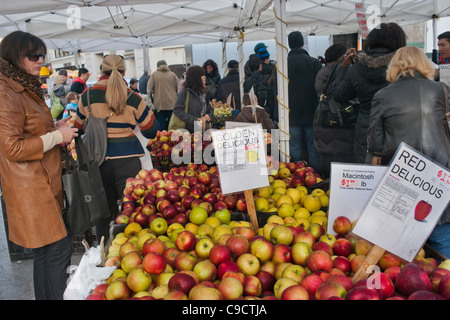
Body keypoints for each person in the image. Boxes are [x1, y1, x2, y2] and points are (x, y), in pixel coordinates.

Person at [0, 30, 78, 300]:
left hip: (40, 181)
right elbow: (11, 147)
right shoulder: (7, 91)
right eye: (33, 55)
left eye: (42, 55)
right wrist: (57, 136)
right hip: (30, 186)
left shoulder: (22, 85)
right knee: (57, 249)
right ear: (14, 56)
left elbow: (28, 130)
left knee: (47, 252)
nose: (40, 61)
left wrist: (53, 127)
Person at [367, 46, 450, 258]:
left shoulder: (383, 95)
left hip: (403, 172)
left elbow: (376, 143)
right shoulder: (441, 90)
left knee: (400, 243)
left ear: (394, 66)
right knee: (441, 235)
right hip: (440, 171)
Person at [74, 54, 158, 243]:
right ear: (124, 72)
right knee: (130, 210)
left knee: (103, 213)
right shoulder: (133, 98)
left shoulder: (87, 96)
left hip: (98, 162)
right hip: (128, 161)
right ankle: (130, 250)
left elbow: (77, 128)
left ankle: (105, 253)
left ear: (101, 71)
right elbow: (151, 131)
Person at [332, 22, 406, 164]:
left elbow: (339, 95)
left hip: (366, 129)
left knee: (367, 175)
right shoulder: (404, 68)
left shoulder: (356, 69)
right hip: (398, 128)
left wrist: (343, 68)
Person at [314, 43, 354, 178]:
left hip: (323, 117)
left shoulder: (322, 71)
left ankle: (326, 179)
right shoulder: (342, 71)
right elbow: (343, 93)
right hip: (339, 119)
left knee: (328, 157)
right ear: (340, 57)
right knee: (341, 162)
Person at [287, 30, 323, 173]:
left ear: (289, 45)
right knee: (313, 148)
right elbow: (321, 87)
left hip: (290, 113)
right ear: (302, 43)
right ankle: (316, 177)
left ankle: (296, 176)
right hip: (311, 112)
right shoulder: (313, 62)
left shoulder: (283, 64)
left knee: (294, 148)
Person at [172, 65, 214, 134]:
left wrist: (209, 115)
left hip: (204, 130)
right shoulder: (185, 93)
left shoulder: (204, 92)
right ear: (196, 78)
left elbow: (210, 109)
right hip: (189, 132)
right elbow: (177, 110)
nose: (205, 77)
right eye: (202, 75)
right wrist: (195, 120)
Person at [147, 60, 179, 131]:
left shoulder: (154, 75)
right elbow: (179, 89)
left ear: (157, 66)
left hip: (160, 104)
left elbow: (149, 90)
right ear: (166, 65)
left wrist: (153, 99)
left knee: (161, 125)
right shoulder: (172, 74)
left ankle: (162, 139)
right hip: (172, 103)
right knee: (172, 125)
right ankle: (173, 139)